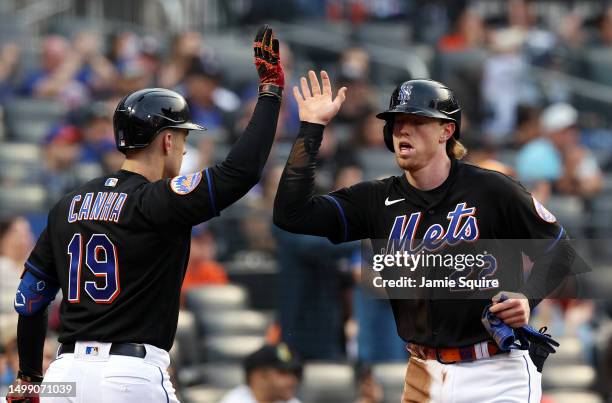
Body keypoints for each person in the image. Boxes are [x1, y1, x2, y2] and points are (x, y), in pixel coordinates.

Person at [6, 24, 284, 403]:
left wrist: (28, 375)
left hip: (64, 374)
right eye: (183, 138)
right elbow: (242, 172)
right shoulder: (158, 200)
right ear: (167, 140)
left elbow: (31, 298)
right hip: (128, 373)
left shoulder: (67, 205)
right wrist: (269, 94)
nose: (184, 150)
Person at [273, 72, 581, 402]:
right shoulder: (377, 200)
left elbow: (560, 251)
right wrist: (311, 129)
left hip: (496, 371)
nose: (402, 129)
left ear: (446, 131)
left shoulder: (493, 190)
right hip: (423, 373)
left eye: (416, 120)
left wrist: (526, 297)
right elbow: (291, 215)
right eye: (396, 121)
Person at [219, 343, 302, 403]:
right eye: (283, 373)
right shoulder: (235, 400)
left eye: (294, 373)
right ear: (258, 376)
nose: (293, 380)